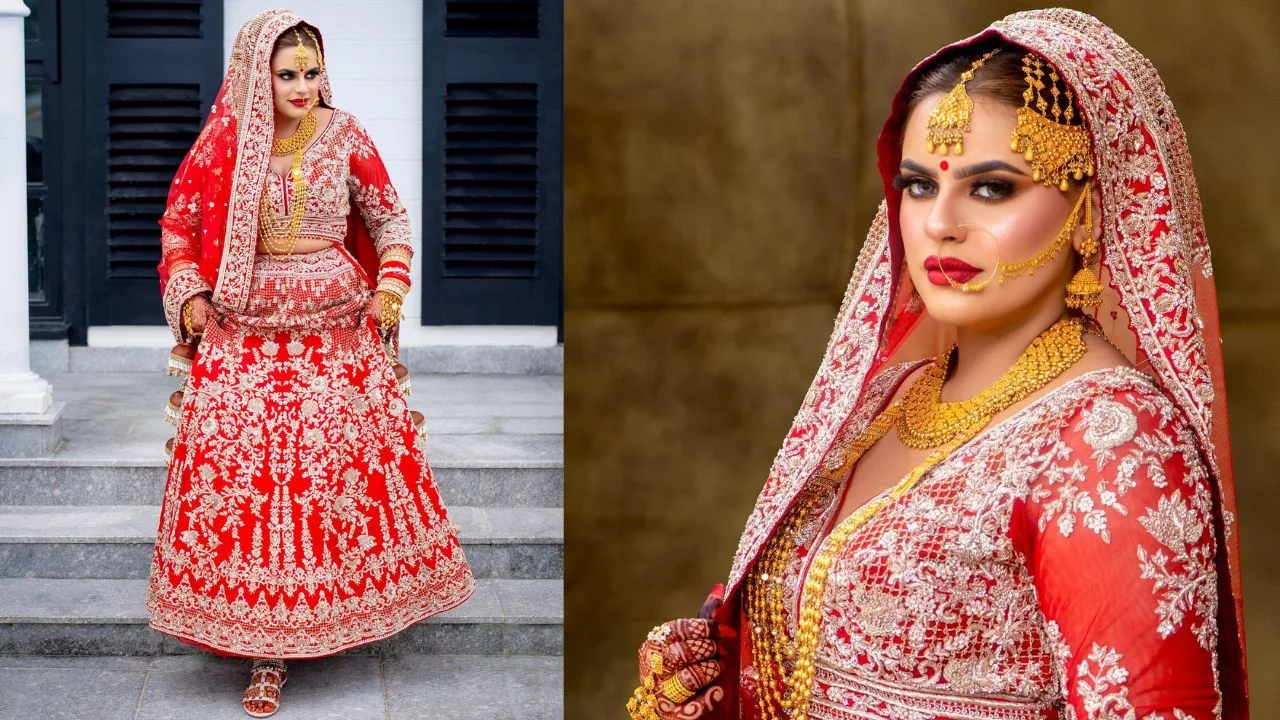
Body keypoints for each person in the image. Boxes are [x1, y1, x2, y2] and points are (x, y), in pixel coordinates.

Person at [628, 8, 1248, 720]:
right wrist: (714, 681)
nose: (941, 222)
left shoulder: (1112, 442)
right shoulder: (891, 400)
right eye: (919, 185)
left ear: (1092, 207)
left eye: (992, 187)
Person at [147, 10, 475, 718]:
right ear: (255, 73)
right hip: (246, 335)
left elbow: (390, 221)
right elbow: (178, 224)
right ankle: (265, 651)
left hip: (336, 336)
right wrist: (191, 293)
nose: (304, 84)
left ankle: (326, 619)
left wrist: (390, 286)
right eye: (288, 72)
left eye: (312, 71)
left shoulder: (346, 134)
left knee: (324, 481)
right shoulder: (228, 142)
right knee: (250, 485)